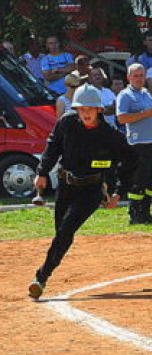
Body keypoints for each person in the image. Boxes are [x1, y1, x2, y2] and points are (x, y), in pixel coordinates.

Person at [27, 85, 135, 300]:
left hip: (91, 190)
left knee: (66, 230)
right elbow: (52, 146)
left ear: (99, 110)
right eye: (81, 108)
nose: (86, 113)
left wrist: (118, 192)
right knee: (61, 234)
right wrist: (42, 172)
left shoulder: (109, 134)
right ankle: (50, 266)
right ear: (76, 109)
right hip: (66, 186)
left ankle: (41, 277)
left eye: (90, 109)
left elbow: (130, 160)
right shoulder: (67, 123)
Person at [117, 63, 152, 224]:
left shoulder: (146, 94)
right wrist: (145, 113)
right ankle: (135, 213)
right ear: (129, 77)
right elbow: (122, 118)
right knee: (139, 180)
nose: (139, 79)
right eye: (135, 76)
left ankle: (146, 213)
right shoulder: (125, 95)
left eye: (141, 75)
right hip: (138, 144)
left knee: (151, 182)